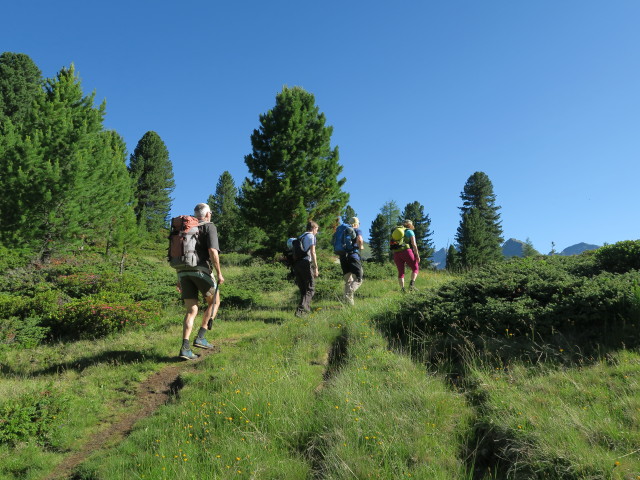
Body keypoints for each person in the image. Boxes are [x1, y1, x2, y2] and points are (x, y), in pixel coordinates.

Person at [177, 203, 225, 360]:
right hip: (201, 271)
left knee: (191, 310)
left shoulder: (186, 228)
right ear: (208, 214)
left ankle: (185, 348)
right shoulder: (209, 227)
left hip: (183, 272)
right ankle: (201, 337)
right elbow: (212, 251)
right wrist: (219, 273)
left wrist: (179, 277)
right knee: (214, 301)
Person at [293, 221, 319, 317]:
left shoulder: (300, 237)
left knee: (304, 291)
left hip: (297, 264)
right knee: (311, 289)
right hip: (305, 263)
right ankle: (300, 309)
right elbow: (313, 252)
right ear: (313, 228)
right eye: (317, 229)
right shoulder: (311, 237)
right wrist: (316, 267)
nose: (317, 231)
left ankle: (303, 314)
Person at [338, 217, 364, 305]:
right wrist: (361, 247)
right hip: (353, 255)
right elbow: (360, 239)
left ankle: (348, 304)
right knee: (358, 279)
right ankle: (348, 295)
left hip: (343, 257)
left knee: (348, 281)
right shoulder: (357, 230)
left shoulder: (343, 231)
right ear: (357, 223)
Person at [392, 219, 420, 292]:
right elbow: (414, 244)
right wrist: (417, 255)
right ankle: (412, 285)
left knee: (401, 272)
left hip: (396, 253)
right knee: (415, 268)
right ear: (410, 225)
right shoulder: (409, 231)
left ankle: (402, 289)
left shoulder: (396, 231)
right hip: (406, 251)